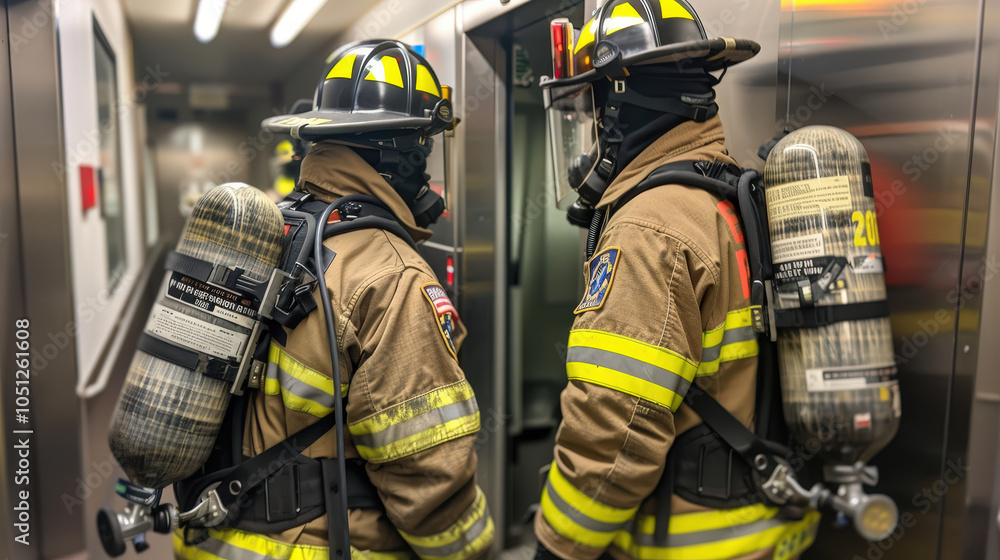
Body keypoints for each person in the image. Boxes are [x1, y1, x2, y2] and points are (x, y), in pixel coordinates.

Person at [174, 40, 494, 560]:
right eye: (423, 148)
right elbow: (427, 476)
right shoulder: (392, 275)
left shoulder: (271, 229)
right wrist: (471, 549)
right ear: (399, 155)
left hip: (210, 537)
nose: (427, 171)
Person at [533, 2, 821, 559]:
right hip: (771, 531)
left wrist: (556, 546)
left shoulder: (648, 228)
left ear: (616, 102)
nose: (587, 133)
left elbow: (614, 434)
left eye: (588, 106)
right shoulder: (730, 193)